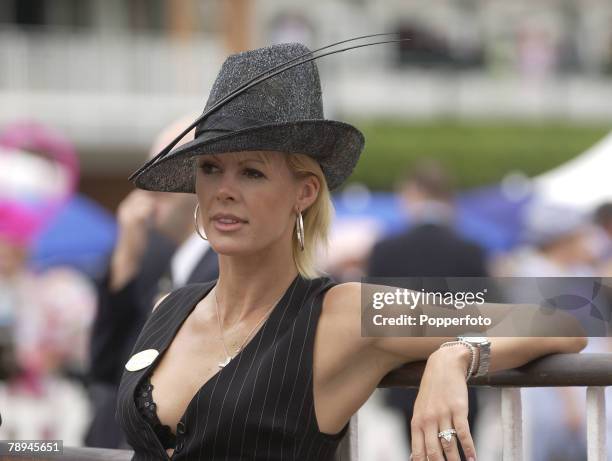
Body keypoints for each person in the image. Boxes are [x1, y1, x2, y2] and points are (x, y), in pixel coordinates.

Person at [116, 42, 587, 461]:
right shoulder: (170, 307)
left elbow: (566, 316)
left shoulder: (343, 314)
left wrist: (459, 353)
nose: (224, 190)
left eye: (252, 172)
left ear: (304, 192)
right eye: (211, 168)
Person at [86, 118, 219, 448]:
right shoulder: (158, 260)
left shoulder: (226, 268)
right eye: (150, 168)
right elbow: (104, 365)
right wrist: (126, 261)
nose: (151, 184)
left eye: (168, 165)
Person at [367, 160, 488, 461]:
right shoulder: (471, 249)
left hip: (405, 377)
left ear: (412, 192)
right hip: (462, 379)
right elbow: (487, 317)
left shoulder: (385, 248)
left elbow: (375, 320)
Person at [0, 121, 95, 443]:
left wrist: (50, 355)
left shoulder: (59, 290)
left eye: (13, 242)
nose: (6, 251)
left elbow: (82, 349)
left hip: (47, 409)